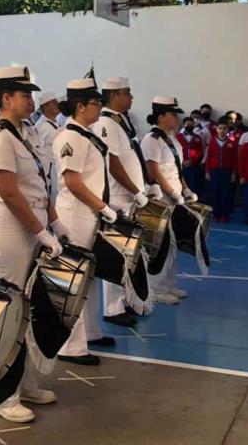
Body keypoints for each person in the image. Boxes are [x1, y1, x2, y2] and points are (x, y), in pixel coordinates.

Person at [0, 65, 63, 423]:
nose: (31, 100)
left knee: (29, 312)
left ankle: (25, 382)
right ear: (6, 98)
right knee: (9, 313)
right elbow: (9, 192)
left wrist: (54, 222)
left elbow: (39, 186)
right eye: (25, 94)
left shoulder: (25, 133)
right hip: (12, 230)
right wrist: (40, 231)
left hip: (33, 225)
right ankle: (2, 393)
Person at [52, 78, 117, 366]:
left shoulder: (86, 135)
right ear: (80, 106)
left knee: (89, 278)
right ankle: (71, 346)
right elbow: (73, 181)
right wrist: (103, 206)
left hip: (89, 212)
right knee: (74, 281)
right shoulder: (71, 137)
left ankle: (90, 332)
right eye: (96, 103)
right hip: (75, 214)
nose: (100, 108)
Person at [93, 76, 151, 327]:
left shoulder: (121, 121)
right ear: (114, 95)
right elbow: (113, 164)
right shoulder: (106, 122)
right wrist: (135, 190)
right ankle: (113, 308)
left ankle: (126, 299)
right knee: (117, 252)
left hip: (130, 195)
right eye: (127, 93)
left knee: (130, 252)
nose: (131, 97)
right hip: (118, 196)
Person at [141, 97, 196, 305]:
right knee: (159, 245)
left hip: (175, 197)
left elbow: (176, 168)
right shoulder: (152, 139)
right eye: (173, 114)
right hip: (162, 198)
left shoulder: (171, 139)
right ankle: (155, 288)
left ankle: (168, 284)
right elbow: (153, 169)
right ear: (161, 116)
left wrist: (186, 189)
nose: (177, 118)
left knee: (173, 244)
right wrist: (172, 192)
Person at [206, 115, 236, 223]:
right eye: (220, 128)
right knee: (215, 193)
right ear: (216, 129)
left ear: (228, 130)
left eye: (224, 128)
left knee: (226, 194)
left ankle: (224, 214)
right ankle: (216, 213)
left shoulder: (231, 143)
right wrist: (207, 171)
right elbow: (208, 158)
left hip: (227, 172)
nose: (222, 130)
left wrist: (233, 173)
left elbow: (234, 160)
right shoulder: (212, 142)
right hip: (214, 171)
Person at [33, 91, 61, 202]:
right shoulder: (41, 126)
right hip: (49, 173)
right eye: (54, 102)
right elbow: (38, 152)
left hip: (58, 170)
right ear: (45, 105)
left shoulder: (57, 124)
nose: (57, 105)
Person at [177, 116, 206, 197]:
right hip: (182, 167)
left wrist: (192, 161)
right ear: (183, 125)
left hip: (194, 167)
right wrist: (183, 162)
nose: (190, 126)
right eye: (188, 124)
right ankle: (182, 208)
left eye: (191, 124)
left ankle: (194, 207)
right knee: (181, 187)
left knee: (194, 188)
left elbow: (200, 152)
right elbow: (176, 151)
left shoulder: (198, 137)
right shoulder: (178, 137)